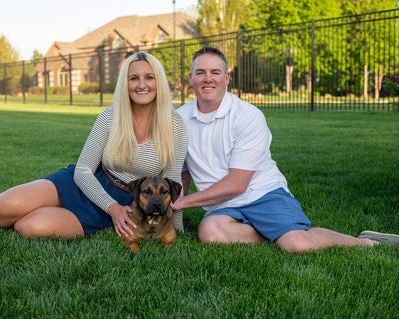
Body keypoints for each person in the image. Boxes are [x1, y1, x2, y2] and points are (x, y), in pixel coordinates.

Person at [0, 52, 187, 239]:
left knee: (28, 227)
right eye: (134, 78)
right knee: (5, 207)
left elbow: (175, 179)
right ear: (125, 84)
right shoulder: (110, 116)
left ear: (159, 82)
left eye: (149, 77)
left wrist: (177, 229)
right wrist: (110, 207)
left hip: (127, 205)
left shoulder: (174, 125)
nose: (141, 84)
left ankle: (34, 213)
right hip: (84, 184)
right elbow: (83, 170)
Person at [171, 47, 399, 252]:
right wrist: (175, 218)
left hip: (262, 193)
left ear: (227, 78)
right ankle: (273, 234)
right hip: (223, 206)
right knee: (210, 233)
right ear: (191, 79)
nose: (208, 79)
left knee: (297, 244)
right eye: (200, 73)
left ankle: (366, 242)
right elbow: (183, 171)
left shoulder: (248, 116)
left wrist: (181, 202)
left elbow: (238, 183)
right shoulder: (178, 119)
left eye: (215, 72)